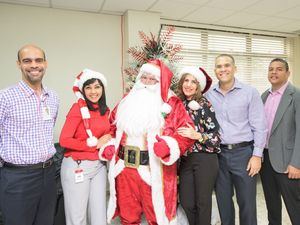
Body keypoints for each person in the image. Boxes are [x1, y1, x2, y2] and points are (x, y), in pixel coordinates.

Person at [99, 59, 194, 225]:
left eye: (152, 79)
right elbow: (112, 127)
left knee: (157, 217)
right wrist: (109, 145)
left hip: (155, 171)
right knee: (128, 217)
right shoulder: (127, 100)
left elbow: (186, 132)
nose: (147, 83)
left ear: (160, 82)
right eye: (144, 78)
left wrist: (169, 146)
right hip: (125, 170)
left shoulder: (171, 103)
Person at [0, 44, 59, 225]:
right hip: (18, 178)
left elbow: (48, 130)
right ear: (19, 64)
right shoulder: (5, 97)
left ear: (45, 63)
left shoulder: (53, 97)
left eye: (38, 60)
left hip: (49, 174)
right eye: (27, 61)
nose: (34, 65)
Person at [205, 54, 267, 225]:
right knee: (223, 202)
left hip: (244, 154)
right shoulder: (209, 95)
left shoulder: (250, 92)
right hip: (218, 155)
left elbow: (260, 126)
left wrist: (257, 155)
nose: (223, 69)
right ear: (215, 70)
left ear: (235, 68)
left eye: (227, 65)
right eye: (219, 66)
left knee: (247, 202)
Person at [59, 69, 111, 225]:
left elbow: (107, 136)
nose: (93, 92)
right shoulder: (78, 109)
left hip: (99, 167)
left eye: (97, 87)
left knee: (99, 215)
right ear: (82, 90)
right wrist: (94, 145)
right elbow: (64, 140)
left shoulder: (106, 111)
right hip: (77, 165)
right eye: (88, 87)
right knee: (77, 217)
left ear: (103, 88)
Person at [176, 66, 221, 225]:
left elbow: (217, 138)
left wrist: (197, 135)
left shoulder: (204, 104)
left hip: (205, 159)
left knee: (203, 203)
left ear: (198, 86)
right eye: (186, 81)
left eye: (193, 82)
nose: (188, 85)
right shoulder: (178, 104)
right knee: (187, 202)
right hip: (185, 160)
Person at [260, 58, 300, 225]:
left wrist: (297, 163)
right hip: (266, 159)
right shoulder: (263, 96)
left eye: (279, 69)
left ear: (288, 73)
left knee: (295, 206)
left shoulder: (296, 95)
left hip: (287, 161)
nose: (274, 72)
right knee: (272, 204)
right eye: (271, 69)